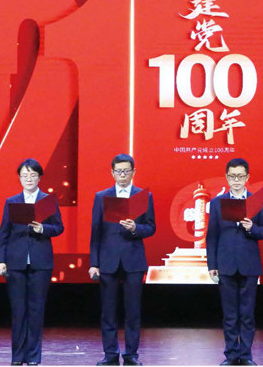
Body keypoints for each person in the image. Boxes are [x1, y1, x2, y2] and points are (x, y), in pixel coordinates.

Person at [0, 158, 65, 366]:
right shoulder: (12, 201)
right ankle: (17, 357)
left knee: (36, 310)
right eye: (24, 176)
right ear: (19, 178)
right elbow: (4, 233)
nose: (28, 179)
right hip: (15, 262)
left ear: (39, 178)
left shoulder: (48, 200)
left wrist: (43, 229)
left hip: (40, 262)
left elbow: (59, 227)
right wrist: (0, 260)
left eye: (32, 175)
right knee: (18, 311)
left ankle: (33, 357)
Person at [89, 154, 156, 366]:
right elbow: (96, 232)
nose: (123, 175)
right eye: (119, 171)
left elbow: (151, 227)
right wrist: (94, 263)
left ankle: (131, 355)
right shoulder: (102, 197)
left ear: (133, 172)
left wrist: (136, 228)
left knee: (133, 311)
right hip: (108, 261)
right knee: (108, 312)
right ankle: (110, 354)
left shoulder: (143, 196)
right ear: (112, 173)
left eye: (126, 171)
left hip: (133, 261)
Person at [207, 158, 263, 366]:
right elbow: (212, 235)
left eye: (240, 176)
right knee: (229, 314)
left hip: (249, 264)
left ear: (247, 177)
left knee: (247, 314)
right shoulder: (217, 203)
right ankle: (231, 355)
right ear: (227, 178)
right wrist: (212, 265)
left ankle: (246, 355)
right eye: (233, 176)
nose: (236, 180)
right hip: (225, 264)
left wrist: (252, 227)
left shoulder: (258, 202)